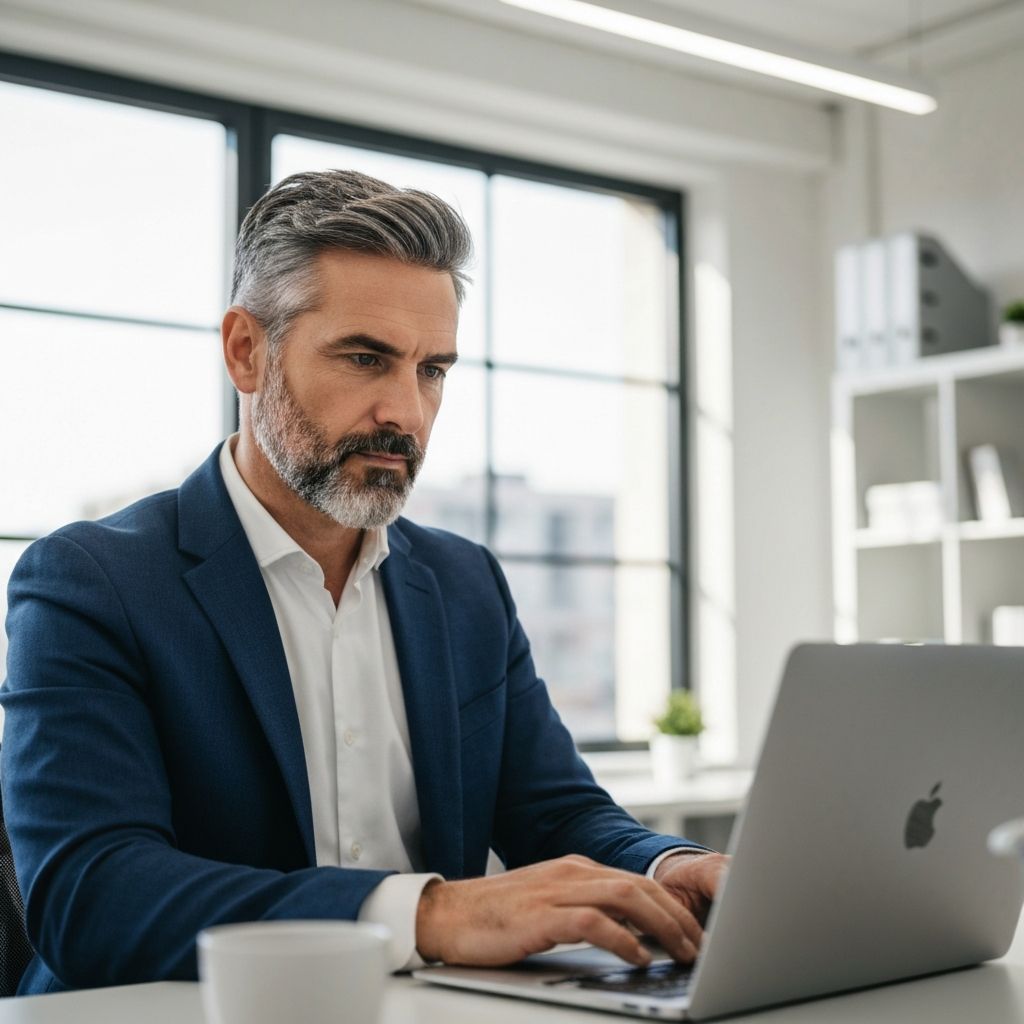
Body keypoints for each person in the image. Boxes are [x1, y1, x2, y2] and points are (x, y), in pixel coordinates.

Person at [1, 170, 726, 995]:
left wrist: (670, 865)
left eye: (433, 370)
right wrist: (429, 915)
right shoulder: (92, 582)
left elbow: (556, 811)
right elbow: (89, 894)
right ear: (246, 351)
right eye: (365, 358)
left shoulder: (465, 584)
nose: (407, 413)